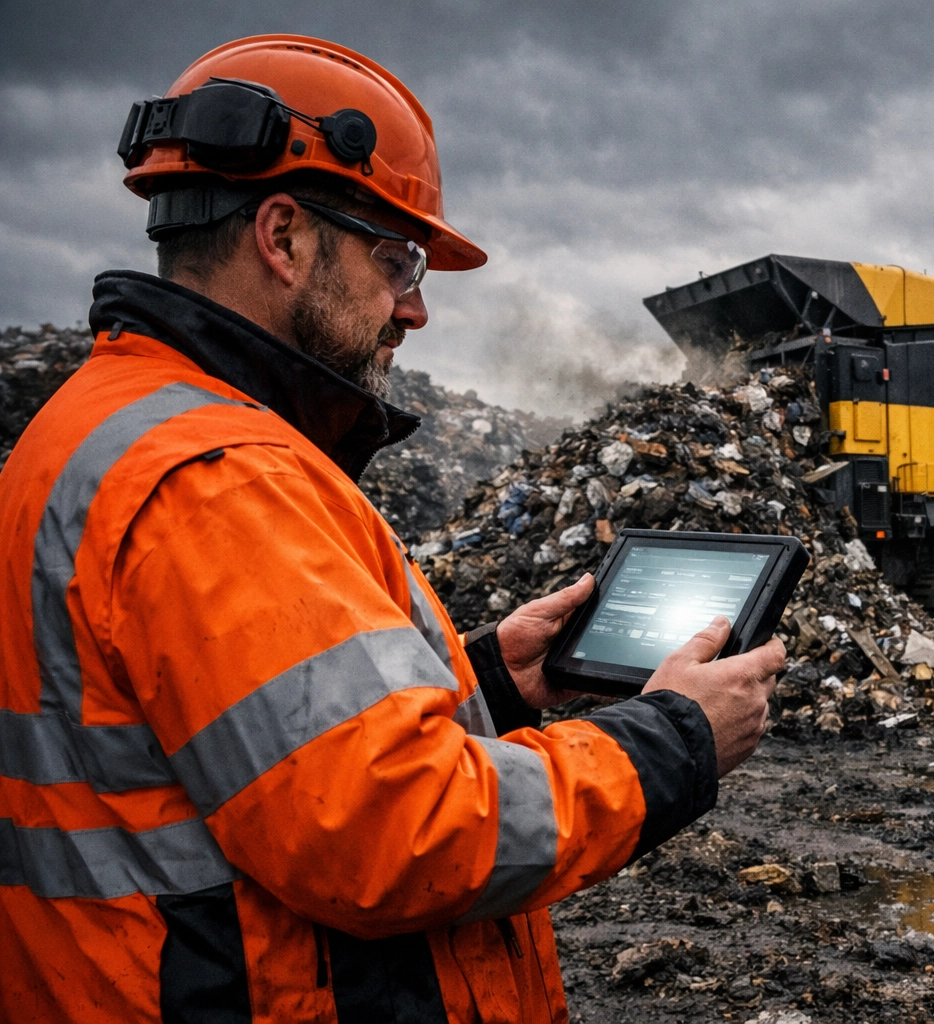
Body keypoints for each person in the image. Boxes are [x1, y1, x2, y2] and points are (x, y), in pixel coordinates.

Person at [0, 35, 784, 1024]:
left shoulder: (93, 430)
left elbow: (228, 744)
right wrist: (674, 741)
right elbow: (390, 830)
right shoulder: (217, 479)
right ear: (282, 237)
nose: (415, 306)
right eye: (396, 260)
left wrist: (489, 677)